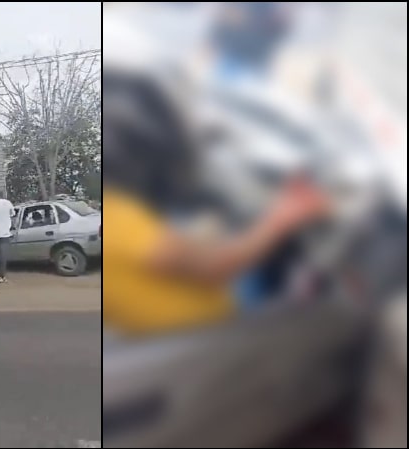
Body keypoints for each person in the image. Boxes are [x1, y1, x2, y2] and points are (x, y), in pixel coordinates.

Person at [103, 72, 330, 337]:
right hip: (216, 331)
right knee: (317, 298)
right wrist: (284, 216)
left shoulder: (113, 218)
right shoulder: (115, 218)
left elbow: (170, 256)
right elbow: (214, 267)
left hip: (170, 338)